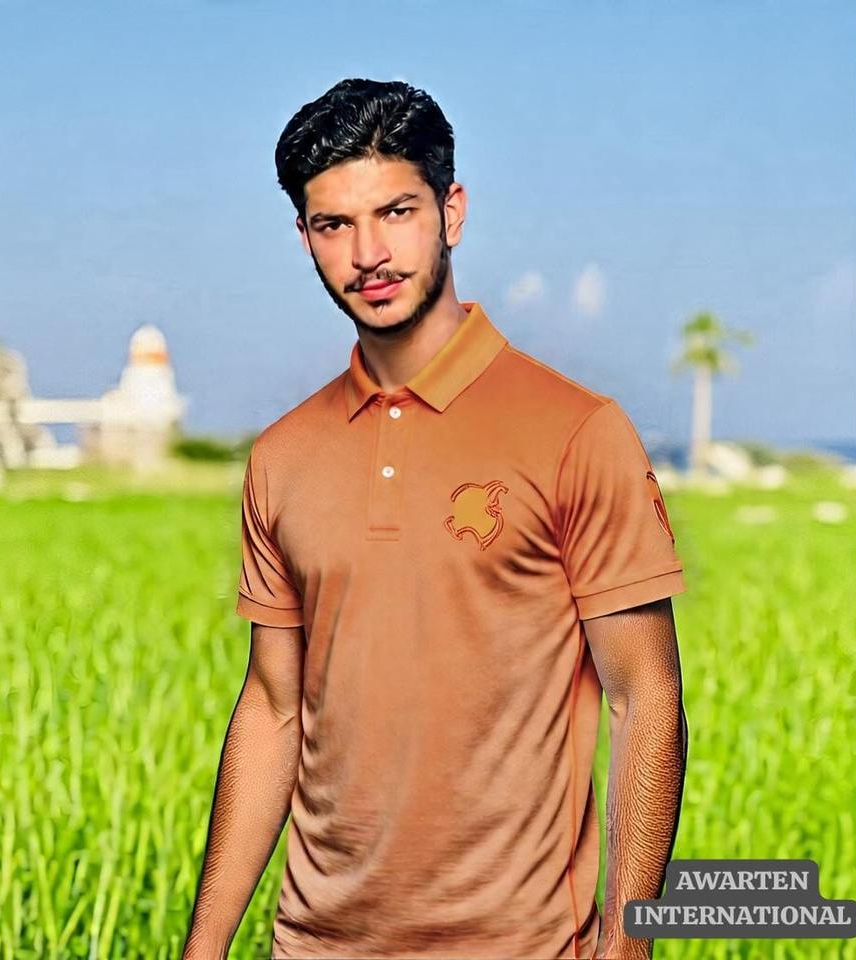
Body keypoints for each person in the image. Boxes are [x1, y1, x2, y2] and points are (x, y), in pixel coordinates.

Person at [182, 78, 689, 960]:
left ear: (451, 212)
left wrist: (627, 944)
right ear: (304, 237)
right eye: (334, 225)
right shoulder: (283, 455)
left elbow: (645, 698)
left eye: (396, 212)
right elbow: (272, 708)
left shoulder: (577, 430)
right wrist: (204, 947)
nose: (368, 253)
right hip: (313, 945)